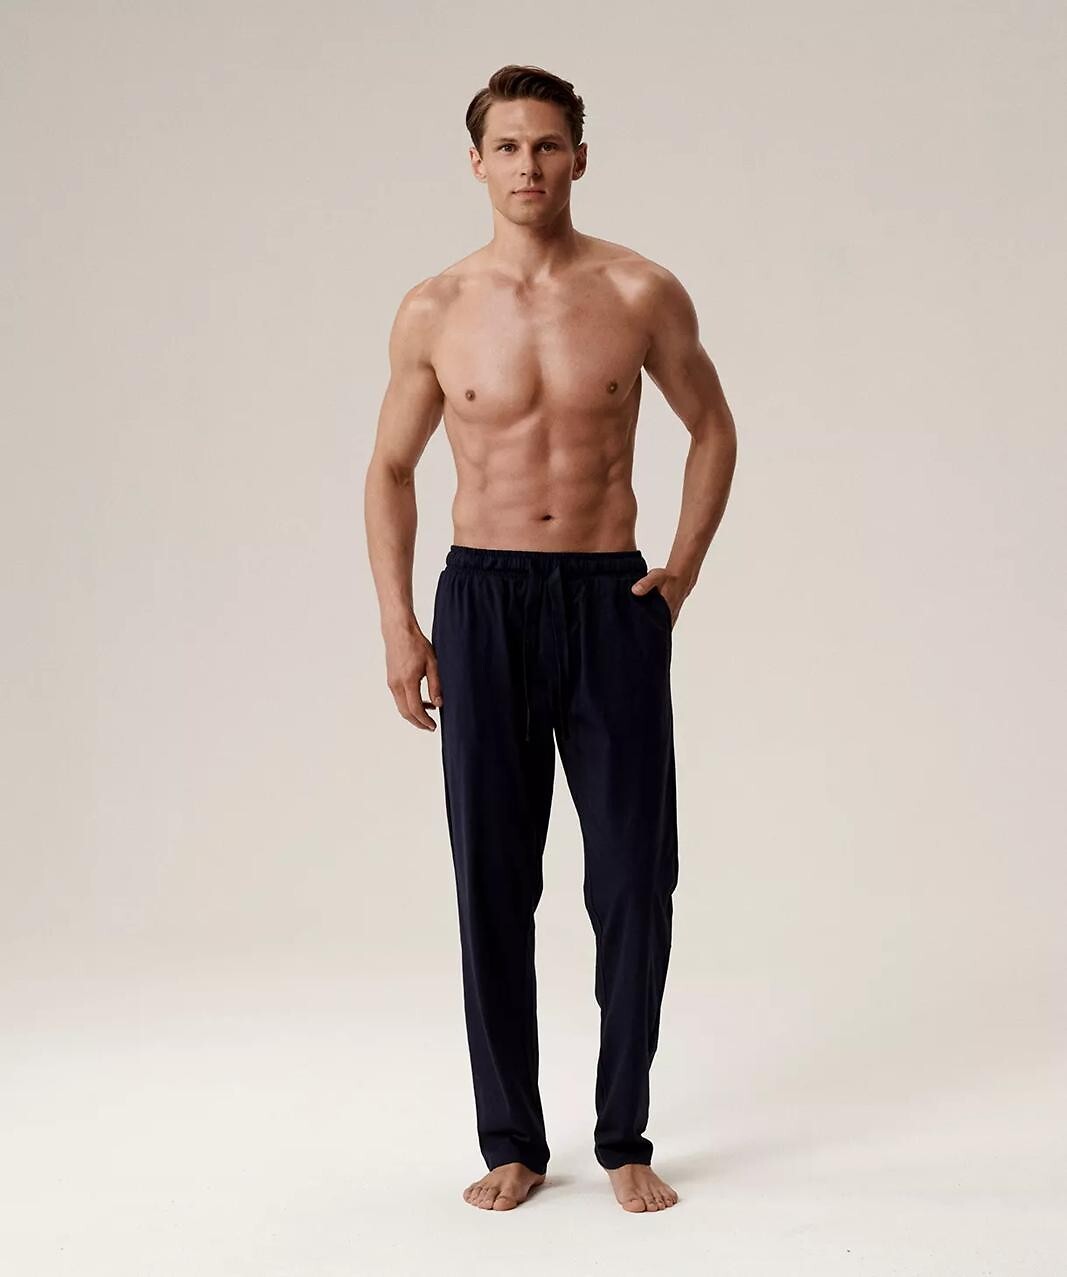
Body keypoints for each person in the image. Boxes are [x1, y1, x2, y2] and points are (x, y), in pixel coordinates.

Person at [364, 64, 737, 1213]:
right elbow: (389, 469)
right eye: (507, 146)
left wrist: (679, 570)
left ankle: (622, 1131)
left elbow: (712, 426)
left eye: (546, 144)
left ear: (578, 157)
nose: (527, 164)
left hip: (606, 598)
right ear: (475, 163)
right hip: (481, 601)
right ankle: (511, 1139)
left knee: (633, 877)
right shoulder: (433, 307)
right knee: (491, 878)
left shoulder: (638, 290)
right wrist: (399, 622)